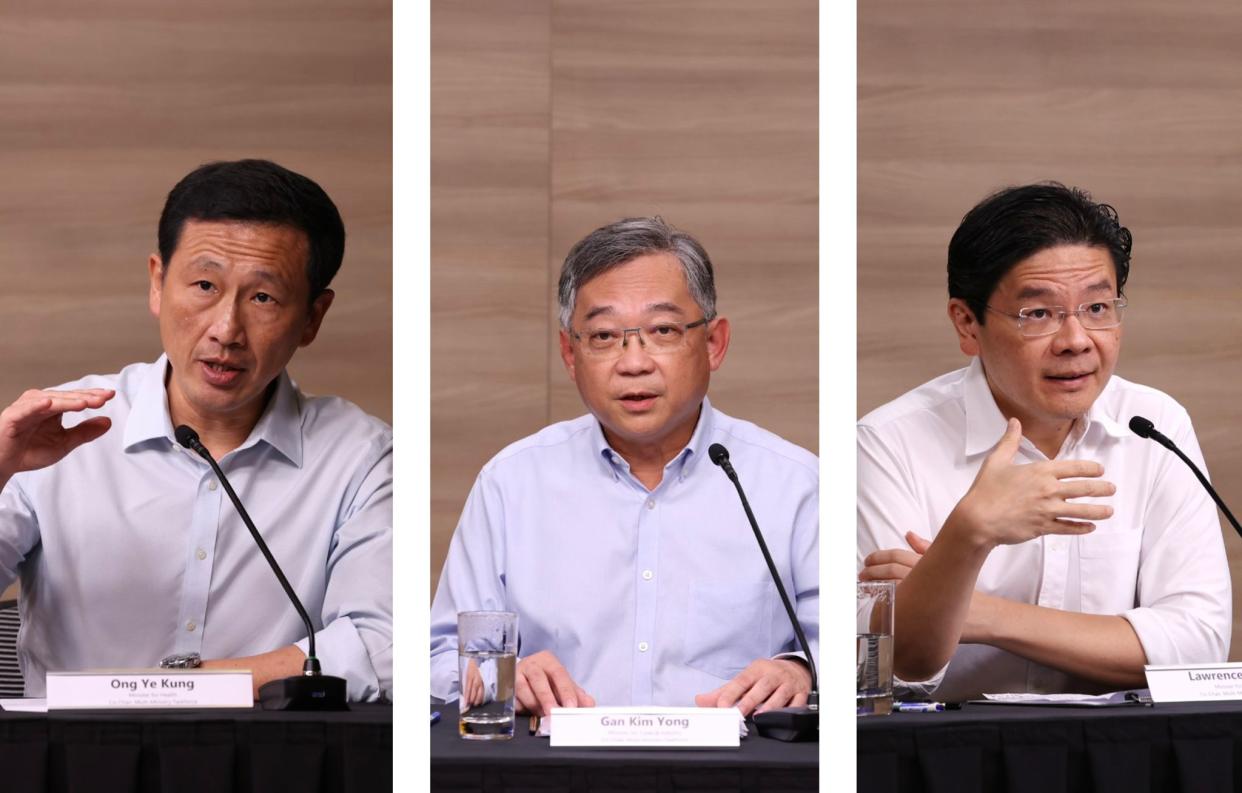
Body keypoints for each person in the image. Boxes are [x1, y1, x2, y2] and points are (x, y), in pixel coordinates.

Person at [0, 159, 392, 700]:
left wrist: (181, 687)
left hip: (271, 762)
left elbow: (382, 642)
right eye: (205, 284)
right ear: (158, 284)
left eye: (263, 298)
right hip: (73, 761)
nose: (226, 330)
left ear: (312, 318)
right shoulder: (57, 429)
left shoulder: (360, 456)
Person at [430, 217, 818, 717]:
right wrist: (497, 674)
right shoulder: (512, 483)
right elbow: (437, 659)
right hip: (554, 772)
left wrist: (801, 670)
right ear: (571, 353)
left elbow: (852, 650)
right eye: (605, 336)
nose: (634, 362)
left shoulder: (793, 483)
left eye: (662, 330)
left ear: (713, 343)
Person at [857, 183, 1231, 702]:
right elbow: (889, 669)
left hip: (1121, 755)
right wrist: (968, 535)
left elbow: (1197, 649)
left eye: (1098, 307)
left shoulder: (1155, 424)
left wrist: (983, 614)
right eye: (1039, 314)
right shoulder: (889, 442)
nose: (1076, 340)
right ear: (967, 323)